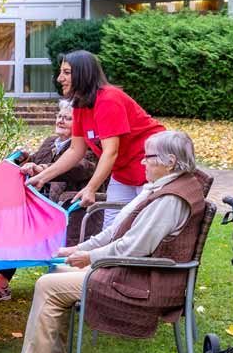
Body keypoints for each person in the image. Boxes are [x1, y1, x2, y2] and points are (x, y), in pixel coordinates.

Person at [0, 131, 209, 353]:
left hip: (143, 282)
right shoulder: (165, 186)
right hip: (138, 272)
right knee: (55, 274)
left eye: (148, 157)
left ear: (170, 162)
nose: (142, 162)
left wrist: (90, 257)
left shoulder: (170, 199)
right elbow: (117, 232)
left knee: (49, 287)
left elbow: (133, 248)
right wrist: (77, 249)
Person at [0, 101, 98, 303]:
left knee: (17, 227)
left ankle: (2, 283)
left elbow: (81, 167)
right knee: (4, 218)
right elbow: (36, 159)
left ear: (81, 123)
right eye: (59, 116)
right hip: (37, 204)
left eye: (68, 117)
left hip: (59, 210)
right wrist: (24, 158)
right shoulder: (51, 142)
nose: (61, 120)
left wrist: (43, 169)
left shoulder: (87, 148)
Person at [27, 50, 165, 228]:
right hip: (123, 171)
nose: (60, 78)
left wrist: (91, 188)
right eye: (61, 72)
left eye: (67, 73)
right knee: (112, 227)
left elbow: (110, 151)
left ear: (84, 74)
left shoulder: (108, 100)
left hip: (152, 166)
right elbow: (75, 150)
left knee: (145, 227)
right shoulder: (80, 105)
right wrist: (43, 177)